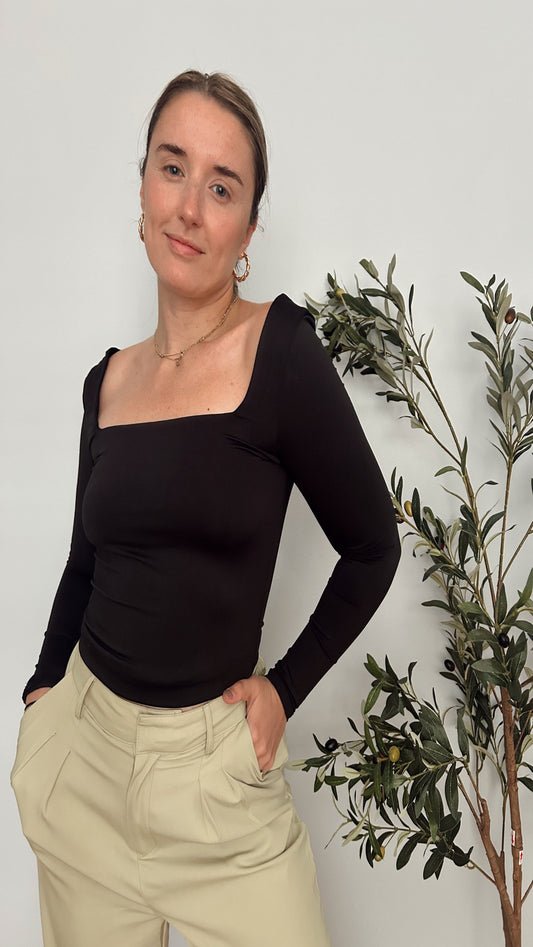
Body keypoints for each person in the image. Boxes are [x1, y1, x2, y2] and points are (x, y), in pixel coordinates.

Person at [11, 70, 401, 947]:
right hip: (84, 769)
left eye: (221, 188)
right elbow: (85, 560)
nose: (189, 207)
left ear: (248, 229)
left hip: (215, 784)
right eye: (172, 167)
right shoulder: (107, 381)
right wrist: (42, 693)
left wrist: (284, 688)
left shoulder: (282, 355)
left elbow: (373, 545)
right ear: (142, 188)